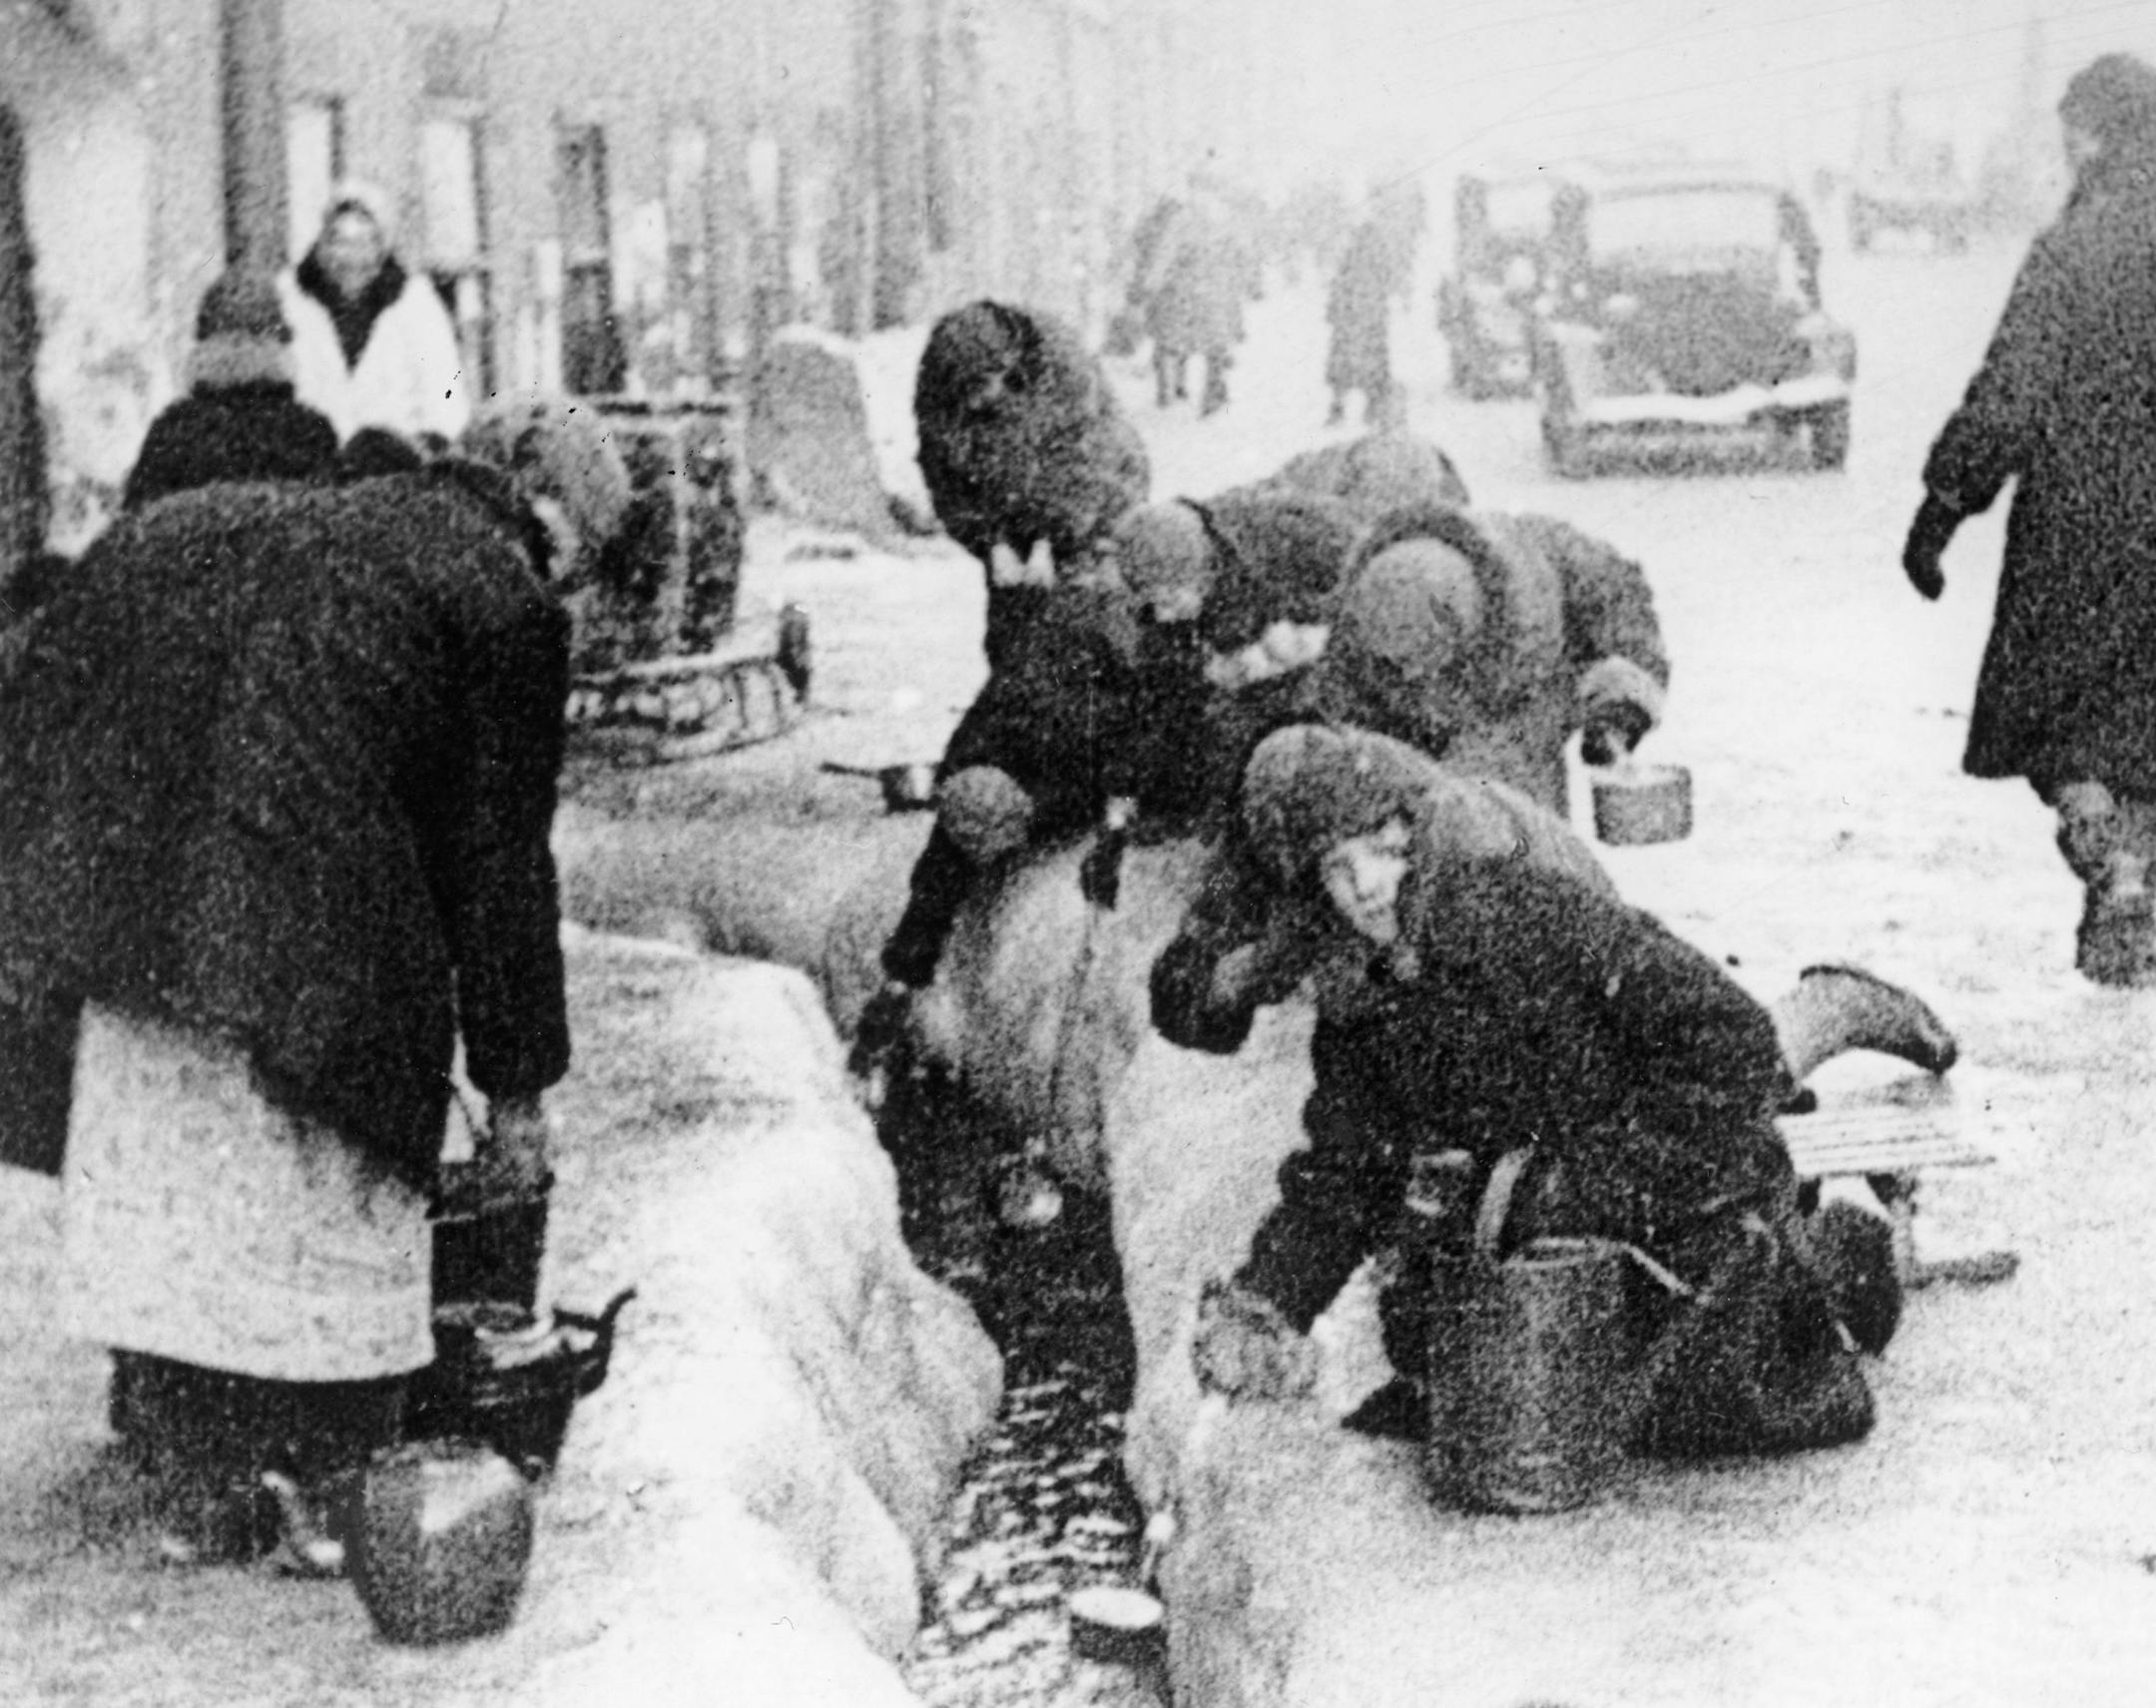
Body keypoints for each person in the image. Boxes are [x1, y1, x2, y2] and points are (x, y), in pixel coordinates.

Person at [0, 458, 572, 1566]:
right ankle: (324, 1474)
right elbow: (502, 866)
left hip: (120, 927)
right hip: (291, 940)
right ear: (546, 532)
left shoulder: (230, 524)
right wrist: (517, 1089)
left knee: (172, 1187)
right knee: (316, 1198)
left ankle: (192, 1463)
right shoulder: (505, 599)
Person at [1156, 725, 1893, 1457]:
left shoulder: (1535, 914)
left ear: (1416, 834)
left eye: (1380, 848)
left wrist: (1570, 1182)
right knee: (1472, 1373)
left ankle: (1833, 1257)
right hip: (1540, 1235)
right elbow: (1349, 1175)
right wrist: (1269, 1303)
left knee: (1707, 1390)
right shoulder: (1364, 999)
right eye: (1335, 866)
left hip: (1660, 1194)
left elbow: (1730, 1042)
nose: (1367, 886)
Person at [1900, 52, 2156, 985]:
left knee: (2070, 722)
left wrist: (1943, 508)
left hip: (2083, 536)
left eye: (2071, 133)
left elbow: (2010, 398)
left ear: (2095, 134)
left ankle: (2113, 855)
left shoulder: (2075, 246)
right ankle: (2134, 868)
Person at [913, 299, 1151, 669]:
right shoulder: (939, 389)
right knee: (1013, 622)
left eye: (979, 386)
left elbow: (1081, 465)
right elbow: (946, 482)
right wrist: (991, 542)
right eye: (963, 392)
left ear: (1004, 367)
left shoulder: (1061, 367)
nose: (973, 402)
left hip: (1100, 493)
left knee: (1080, 615)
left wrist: (1048, 540)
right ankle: (1017, 698)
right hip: (1011, 497)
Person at [122, 272, 339, 512]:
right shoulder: (310, 433)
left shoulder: (173, 433)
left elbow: (134, 530)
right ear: (279, 346)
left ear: (203, 347)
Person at [281, 181, 471, 447]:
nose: (351, 258)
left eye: (365, 242)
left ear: (383, 248)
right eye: (340, 241)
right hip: (310, 465)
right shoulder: (289, 299)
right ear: (322, 244)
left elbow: (446, 402)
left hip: (395, 470)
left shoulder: (416, 303)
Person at [1325, 220, 1398, 428]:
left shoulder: (1350, 259)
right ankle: (1370, 407)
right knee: (1372, 369)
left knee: (1343, 370)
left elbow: (1338, 288)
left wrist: (1335, 314)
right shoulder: (1379, 261)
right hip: (1369, 323)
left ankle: (1339, 408)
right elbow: (1386, 287)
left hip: (1349, 323)